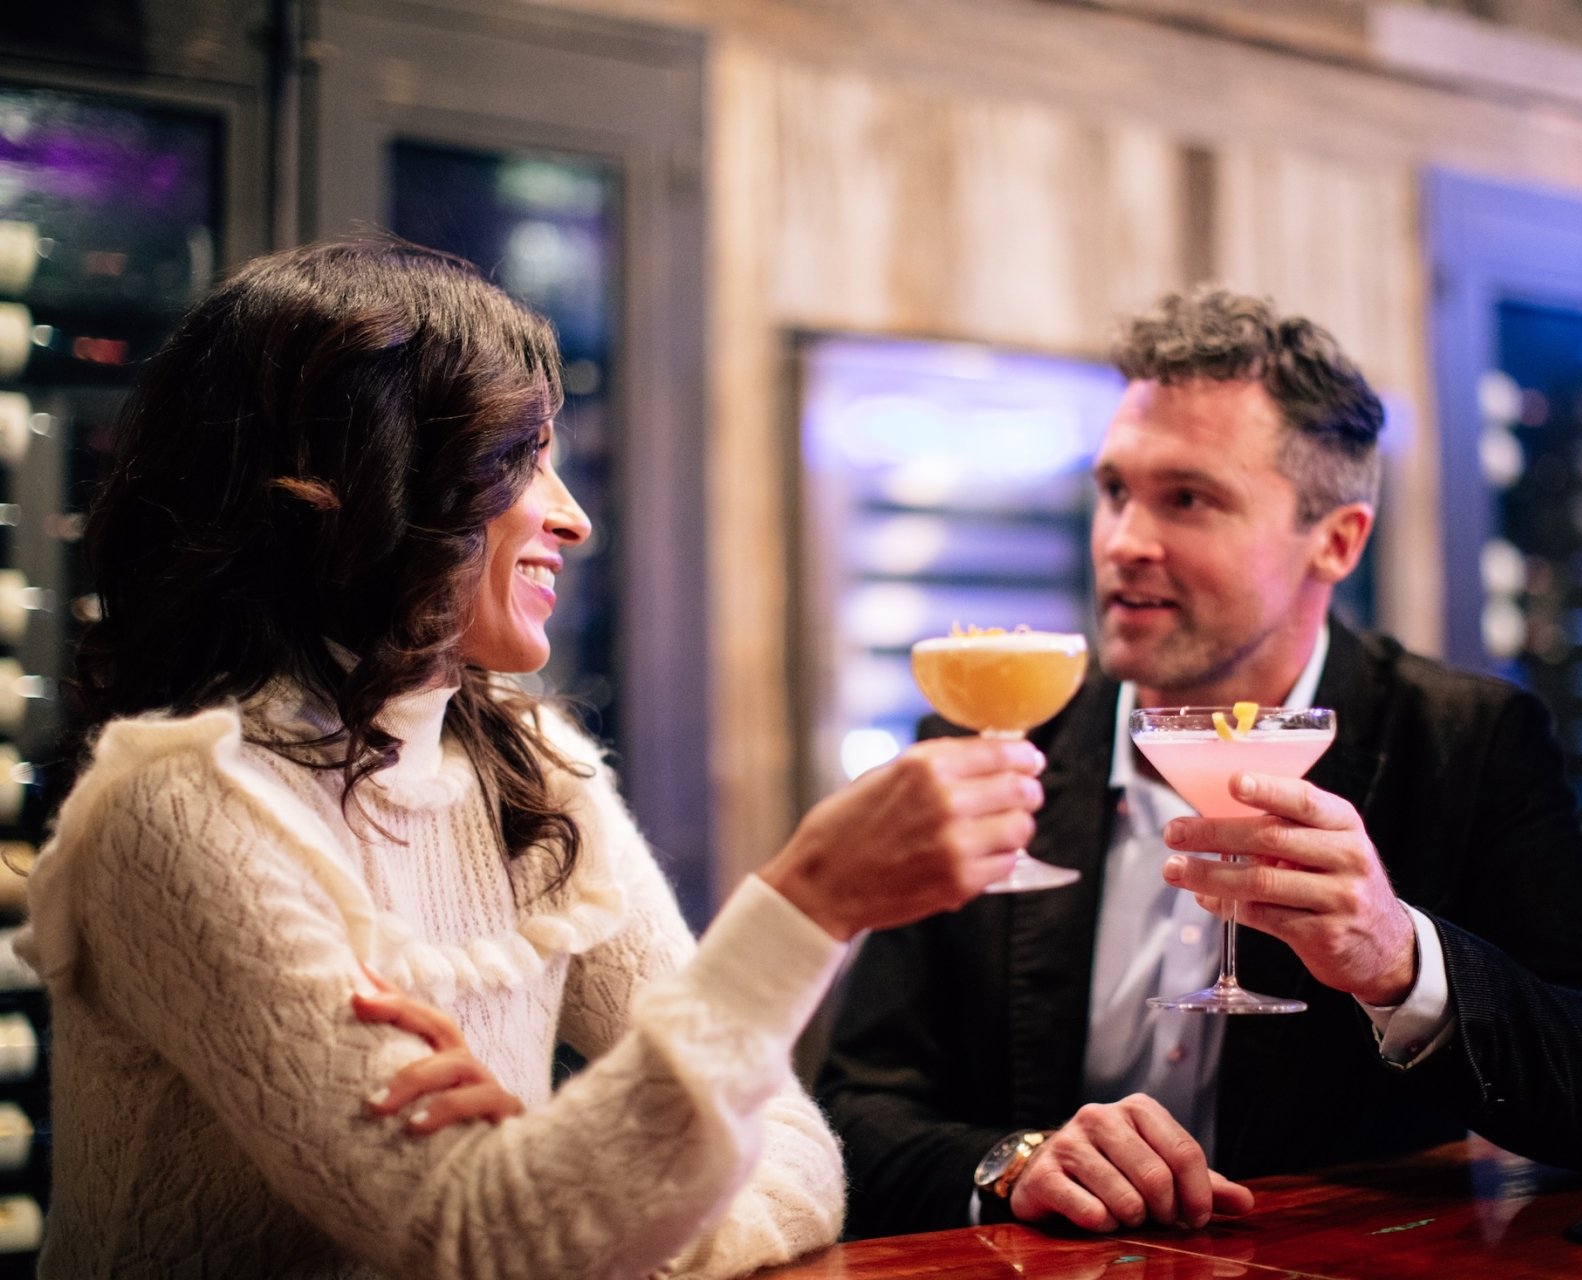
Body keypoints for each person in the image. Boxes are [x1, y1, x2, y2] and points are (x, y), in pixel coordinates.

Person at [14, 240, 1045, 1278]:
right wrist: (807, 899)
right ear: (345, 482)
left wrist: (578, 1193)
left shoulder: (533, 764)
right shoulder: (175, 807)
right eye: (519, 459)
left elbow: (791, 1147)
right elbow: (484, 1234)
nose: (574, 516)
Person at [817, 286, 1582, 1238]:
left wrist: (1400, 961)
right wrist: (1012, 1163)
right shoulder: (989, 750)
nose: (1124, 543)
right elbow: (848, 1112)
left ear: (1338, 540)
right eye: (1114, 491)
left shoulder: (1463, 741)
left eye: (1187, 499)